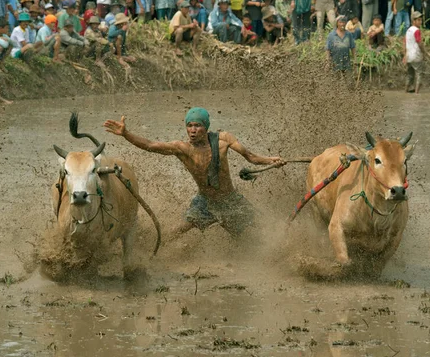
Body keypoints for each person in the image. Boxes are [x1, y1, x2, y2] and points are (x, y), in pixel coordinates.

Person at [102, 109, 285, 238]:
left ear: (206, 127)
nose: (193, 130)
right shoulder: (182, 149)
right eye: (189, 126)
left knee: (259, 227)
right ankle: (154, 248)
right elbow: (150, 145)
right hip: (205, 201)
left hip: (229, 199)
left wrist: (271, 161)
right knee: (179, 230)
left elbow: (251, 157)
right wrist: (126, 134)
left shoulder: (224, 141)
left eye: (197, 125)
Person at [326, 15, 356, 79]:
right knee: (336, 78)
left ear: (346, 23)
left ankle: (348, 88)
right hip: (335, 60)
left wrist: (355, 59)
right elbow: (328, 49)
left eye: (344, 22)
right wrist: (328, 62)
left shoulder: (349, 34)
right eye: (340, 22)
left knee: (348, 77)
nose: (342, 24)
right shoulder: (331, 35)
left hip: (346, 60)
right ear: (337, 23)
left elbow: (353, 47)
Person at [403, 11, 425, 93]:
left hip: (409, 56)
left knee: (410, 75)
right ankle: (417, 92)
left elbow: (404, 43)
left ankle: (406, 91)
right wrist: (424, 52)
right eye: (418, 20)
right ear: (413, 21)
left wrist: (405, 55)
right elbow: (419, 42)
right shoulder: (416, 30)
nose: (420, 22)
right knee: (419, 73)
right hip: (416, 55)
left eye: (420, 20)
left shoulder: (408, 30)